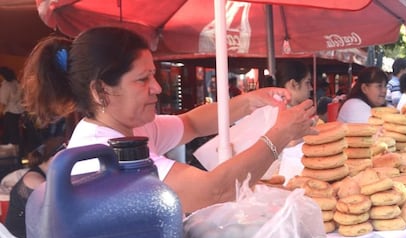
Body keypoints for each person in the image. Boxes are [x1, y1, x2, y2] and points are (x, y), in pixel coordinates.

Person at [22, 27, 317, 214]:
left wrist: (253, 100)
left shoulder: (130, 127)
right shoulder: (105, 153)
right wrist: (279, 135)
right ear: (101, 90)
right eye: (142, 79)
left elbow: (191, 124)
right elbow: (212, 192)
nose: (158, 87)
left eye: (154, 74)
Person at [4, 137, 66, 238]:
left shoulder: (45, 174)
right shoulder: (35, 180)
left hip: (34, 232)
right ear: (54, 157)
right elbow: (56, 212)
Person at [0, 67, 24, 147]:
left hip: (10, 113)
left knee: (8, 136)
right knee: (15, 135)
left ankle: (7, 155)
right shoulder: (17, 83)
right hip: (19, 112)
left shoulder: (6, 85)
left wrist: (1, 113)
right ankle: (17, 155)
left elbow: (3, 102)